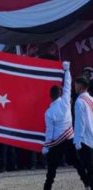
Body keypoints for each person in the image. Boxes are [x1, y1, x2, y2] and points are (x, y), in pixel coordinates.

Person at [42, 62, 90, 190]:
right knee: (78, 164)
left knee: (51, 170)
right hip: (70, 139)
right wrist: (66, 70)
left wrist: (46, 146)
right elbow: (68, 85)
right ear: (60, 93)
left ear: (50, 97)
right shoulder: (65, 102)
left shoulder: (48, 112)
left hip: (56, 142)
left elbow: (49, 131)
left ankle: (47, 188)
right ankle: (87, 183)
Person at [73, 76, 93, 190]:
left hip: (84, 139)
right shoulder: (91, 99)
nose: (74, 86)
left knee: (87, 168)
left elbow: (80, 122)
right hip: (91, 136)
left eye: (76, 84)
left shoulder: (80, 101)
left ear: (80, 86)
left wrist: (78, 140)